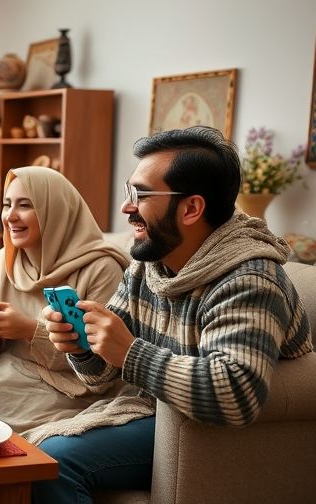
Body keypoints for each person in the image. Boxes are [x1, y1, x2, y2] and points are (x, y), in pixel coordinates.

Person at [33, 126, 312, 502]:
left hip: (204, 432)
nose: (126, 207)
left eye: (142, 194)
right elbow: (100, 377)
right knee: (31, 454)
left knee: (51, 462)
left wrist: (130, 352)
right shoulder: (148, 265)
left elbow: (235, 392)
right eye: (129, 191)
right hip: (157, 411)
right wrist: (81, 345)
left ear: (192, 208)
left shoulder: (250, 279)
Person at [0, 166, 130, 436]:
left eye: (25, 205)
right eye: (7, 205)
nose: (10, 216)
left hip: (68, 389)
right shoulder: (5, 260)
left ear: (53, 210)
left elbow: (102, 369)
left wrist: (29, 330)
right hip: (8, 371)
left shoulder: (101, 268)